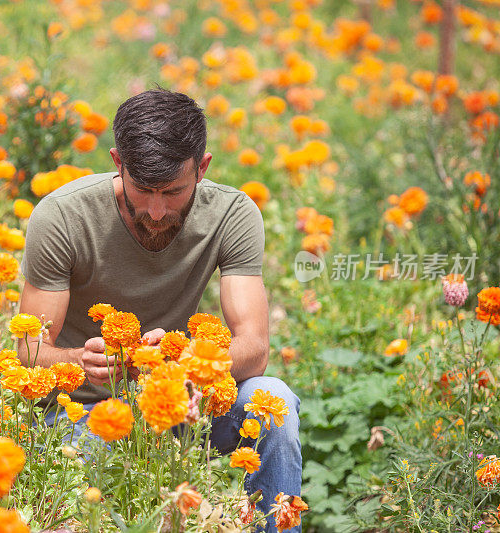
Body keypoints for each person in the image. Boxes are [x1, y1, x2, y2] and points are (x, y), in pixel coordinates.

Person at [17, 88, 301, 532]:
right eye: (143, 189)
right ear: (117, 163)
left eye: (172, 191)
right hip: (86, 411)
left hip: (183, 405)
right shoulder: (63, 217)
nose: (155, 209)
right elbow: (30, 350)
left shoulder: (231, 215)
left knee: (274, 401)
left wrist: (182, 362)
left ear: (202, 167)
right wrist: (81, 361)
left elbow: (254, 348)